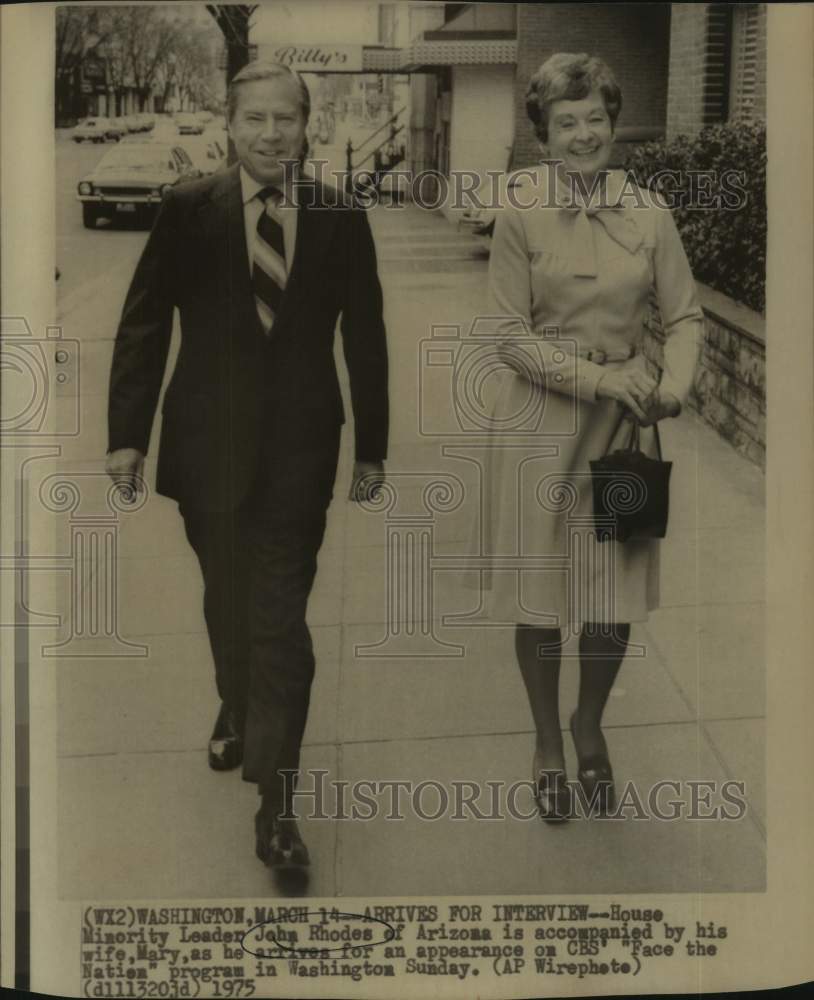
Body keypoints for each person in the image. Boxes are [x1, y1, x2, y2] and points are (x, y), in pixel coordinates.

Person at [105, 62, 388, 869]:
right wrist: (126, 435)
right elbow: (144, 321)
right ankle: (236, 703)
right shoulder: (189, 207)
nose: (271, 135)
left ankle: (279, 805)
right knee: (228, 606)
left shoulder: (338, 214)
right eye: (255, 120)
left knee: (281, 624)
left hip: (300, 454)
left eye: (286, 120)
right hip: (206, 449)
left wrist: (373, 446)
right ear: (230, 126)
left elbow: (364, 334)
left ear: (310, 125)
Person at [477, 53, 703, 820]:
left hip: (629, 435)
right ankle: (547, 741)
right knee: (541, 598)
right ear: (543, 133)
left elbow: (686, 317)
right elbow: (506, 336)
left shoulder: (650, 212)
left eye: (596, 120)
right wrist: (602, 380)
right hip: (540, 426)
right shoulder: (519, 212)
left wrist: (670, 390)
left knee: (612, 596)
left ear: (614, 125)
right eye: (566, 122)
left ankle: (588, 725)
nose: (583, 135)